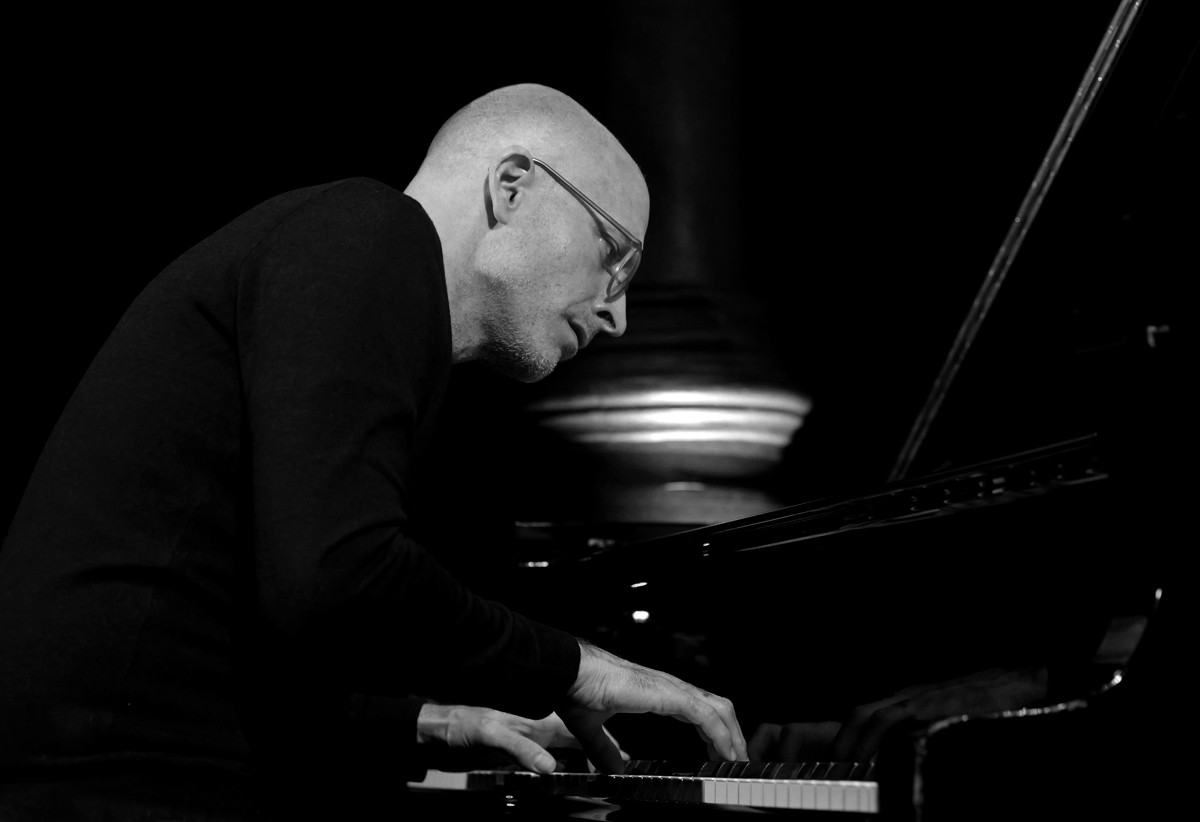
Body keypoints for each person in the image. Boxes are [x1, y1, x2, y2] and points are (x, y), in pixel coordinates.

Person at [0, 84, 745, 820]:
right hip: (117, 788)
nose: (618, 315)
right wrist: (574, 668)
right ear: (513, 185)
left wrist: (426, 722)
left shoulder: (350, 268)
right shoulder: (369, 230)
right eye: (615, 256)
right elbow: (337, 575)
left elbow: (255, 624)